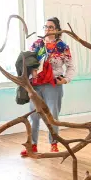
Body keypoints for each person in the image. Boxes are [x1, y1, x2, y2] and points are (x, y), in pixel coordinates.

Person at [23, 17, 75, 157]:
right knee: (33, 115)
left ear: (57, 30)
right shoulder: (37, 45)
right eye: (45, 27)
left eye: (51, 27)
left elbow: (70, 67)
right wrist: (31, 72)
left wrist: (65, 80)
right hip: (36, 85)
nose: (47, 29)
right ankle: (32, 145)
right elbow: (28, 63)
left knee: (53, 115)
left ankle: (54, 144)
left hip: (53, 85)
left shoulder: (62, 47)